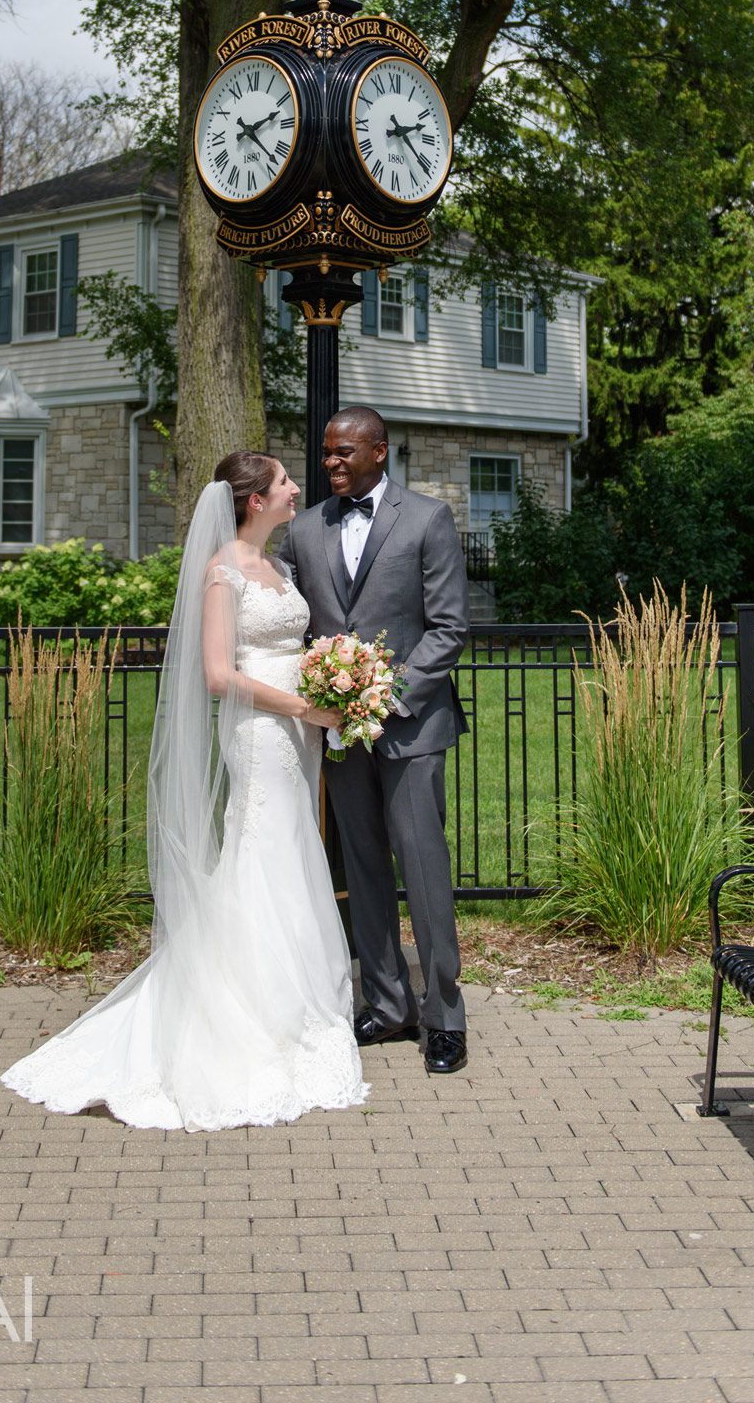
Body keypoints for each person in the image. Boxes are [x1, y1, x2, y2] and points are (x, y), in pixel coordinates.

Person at [1, 452, 368, 1131]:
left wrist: (330, 676)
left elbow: (292, 645)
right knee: (263, 848)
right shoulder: (221, 572)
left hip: (302, 732)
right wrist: (304, 709)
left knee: (292, 849)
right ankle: (255, 1009)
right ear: (255, 500)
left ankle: (296, 997)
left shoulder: (281, 568)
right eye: (285, 482)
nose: (296, 491)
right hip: (263, 733)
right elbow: (217, 676)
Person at [276, 406, 470, 1074]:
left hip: (412, 727)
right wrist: (328, 699)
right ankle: (387, 1005)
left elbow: (448, 628)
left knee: (422, 870)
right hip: (341, 739)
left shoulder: (427, 520)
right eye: (326, 452)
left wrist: (382, 698)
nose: (331, 462)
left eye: (344, 452)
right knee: (361, 870)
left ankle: (444, 1017)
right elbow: (293, 630)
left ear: (379, 452)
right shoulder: (302, 533)